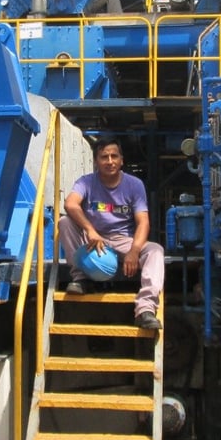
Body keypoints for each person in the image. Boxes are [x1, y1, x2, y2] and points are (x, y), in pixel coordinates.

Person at [59, 136, 165, 330]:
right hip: (93, 240)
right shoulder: (86, 182)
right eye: (104, 157)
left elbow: (143, 222)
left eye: (114, 156)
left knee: (155, 250)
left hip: (122, 240)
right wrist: (90, 229)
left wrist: (134, 251)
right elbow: (70, 204)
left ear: (121, 160)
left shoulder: (134, 185)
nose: (110, 161)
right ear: (96, 161)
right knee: (64, 222)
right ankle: (80, 278)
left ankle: (145, 310)